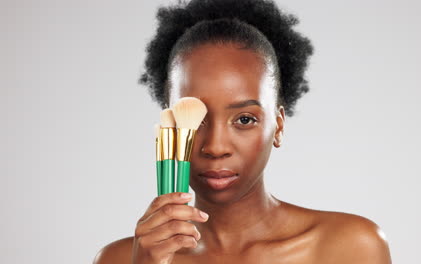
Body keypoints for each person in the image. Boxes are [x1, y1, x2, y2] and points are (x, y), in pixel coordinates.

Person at [94, 0, 392, 263]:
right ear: (169, 127)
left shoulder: (351, 247)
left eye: (245, 119)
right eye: (197, 121)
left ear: (278, 126)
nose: (216, 147)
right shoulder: (120, 259)